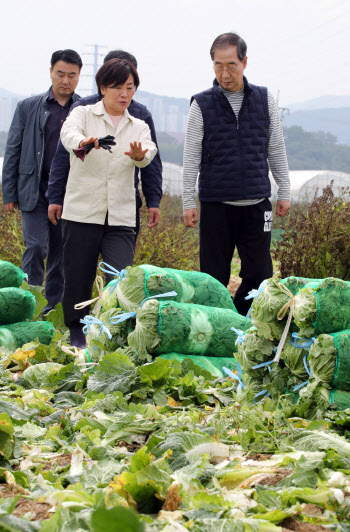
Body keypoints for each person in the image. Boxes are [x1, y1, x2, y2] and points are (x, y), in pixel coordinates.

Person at [182, 32, 291, 316]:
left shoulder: (265, 99)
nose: (224, 72)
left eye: (231, 64)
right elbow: (191, 154)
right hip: (217, 204)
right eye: (218, 65)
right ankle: (219, 322)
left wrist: (285, 190)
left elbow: (276, 146)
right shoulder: (201, 103)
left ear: (244, 62)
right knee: (213, 278)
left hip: (256, 203)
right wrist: (188, 201)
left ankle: (240, 318)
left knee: (260, 274)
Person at [59, 59, 157, 347]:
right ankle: (76, 331)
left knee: (120, 277)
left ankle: (114, 332)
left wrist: (140, 156)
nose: (124, 94)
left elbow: (149, 151)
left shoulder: (137, 124)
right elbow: (68, 135)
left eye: (130, 88)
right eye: (117, 87)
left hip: (121, 217)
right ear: (103, 88)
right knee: (78, 275)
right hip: (82, 213)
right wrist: (85, 141)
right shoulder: (83, 114)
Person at [48, 50, 162, 239]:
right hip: (83, 206)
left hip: (123, 204)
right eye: (116, 83)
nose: (123, 93)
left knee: (121, 266)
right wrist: (55, 196)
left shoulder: (141, 116)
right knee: (72, 263)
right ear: (103, 81)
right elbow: (63, 154)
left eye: (128, 85)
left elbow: (151, 161)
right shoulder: (83, 110)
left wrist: (153, 201)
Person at [2, 49, 82, 314]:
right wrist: (9, 192)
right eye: (60, 73)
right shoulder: (28, 107)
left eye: (72, 75)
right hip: (33, 189)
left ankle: (52, 309)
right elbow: (13, 148)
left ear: (79, 77)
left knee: (61, 255)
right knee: (36, 247)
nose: (65, 81)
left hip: (68, 192)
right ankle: (29, 302)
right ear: (51, 72)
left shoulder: (84, 109)